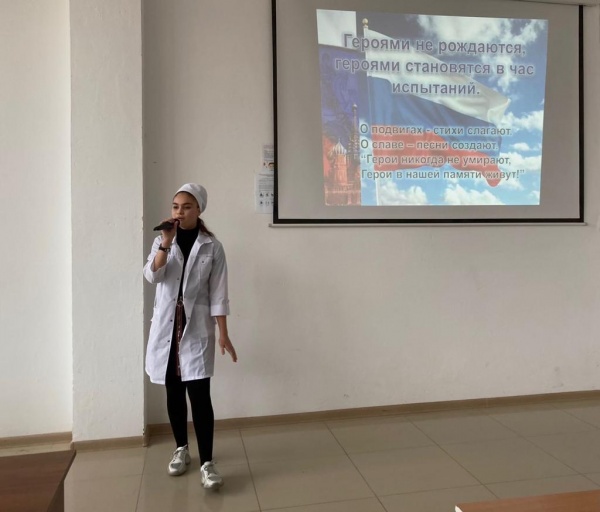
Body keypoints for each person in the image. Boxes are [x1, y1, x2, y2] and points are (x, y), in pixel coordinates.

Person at [143, 183, 237, 490]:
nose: (179, 212)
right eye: (175, 207)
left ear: (198, 210)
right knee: (173, 391)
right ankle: (181, 448)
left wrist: (223, 334)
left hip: (195, 329)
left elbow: (219, 293)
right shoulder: (162, 241)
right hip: (167, 329)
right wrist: (165, 243)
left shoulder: (212, 246)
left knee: (199, 395)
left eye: (186, 207)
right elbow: (152, 275)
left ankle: (207, 462)